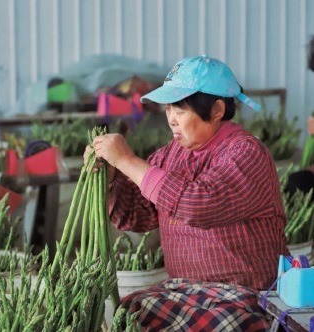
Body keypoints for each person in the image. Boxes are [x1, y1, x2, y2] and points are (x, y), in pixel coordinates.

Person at [84, 55, 290, 331]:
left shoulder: (246, 153)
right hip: (185, 292)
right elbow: (138, 216)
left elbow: (198, 206)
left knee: (221, 324)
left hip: (246, 294)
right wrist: (111, 180)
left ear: (217, 110)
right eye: (168, 110)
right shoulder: (168, 156)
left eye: (180, 110)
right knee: (130, 314)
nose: (171, 120)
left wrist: (127, 161)